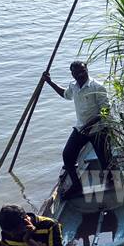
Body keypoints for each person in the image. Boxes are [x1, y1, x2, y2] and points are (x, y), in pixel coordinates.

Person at [43, 61, 110, 200]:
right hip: (80, 129)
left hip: (98, 130)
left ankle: (111, 182)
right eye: (77, 72)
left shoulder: (97, 87)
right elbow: (65, 94)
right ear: (72, 74)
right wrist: (49, 82)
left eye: (83, 71)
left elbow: (105, 111)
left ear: (87, 70)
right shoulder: (73, 86)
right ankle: (76, 185)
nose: (80, 74)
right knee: (67, 156)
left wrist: (90, 124)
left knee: (106, 162)